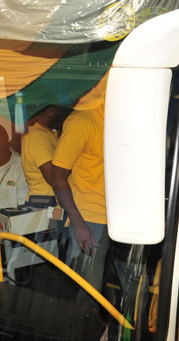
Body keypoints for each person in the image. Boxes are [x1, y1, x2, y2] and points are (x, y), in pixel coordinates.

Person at [48, 102, 109, 285]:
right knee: (88, 290)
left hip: (121, 216)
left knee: (135, 287)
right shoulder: (83, 120)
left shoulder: (127, 118)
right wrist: (78, 222)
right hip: (89, 217)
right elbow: (57, 175)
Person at [21, 105, 69, 204]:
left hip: (48, 201)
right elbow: (54, 178)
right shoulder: (37, 136)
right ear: (51, 111)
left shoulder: (46, 133)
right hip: (46, 202)